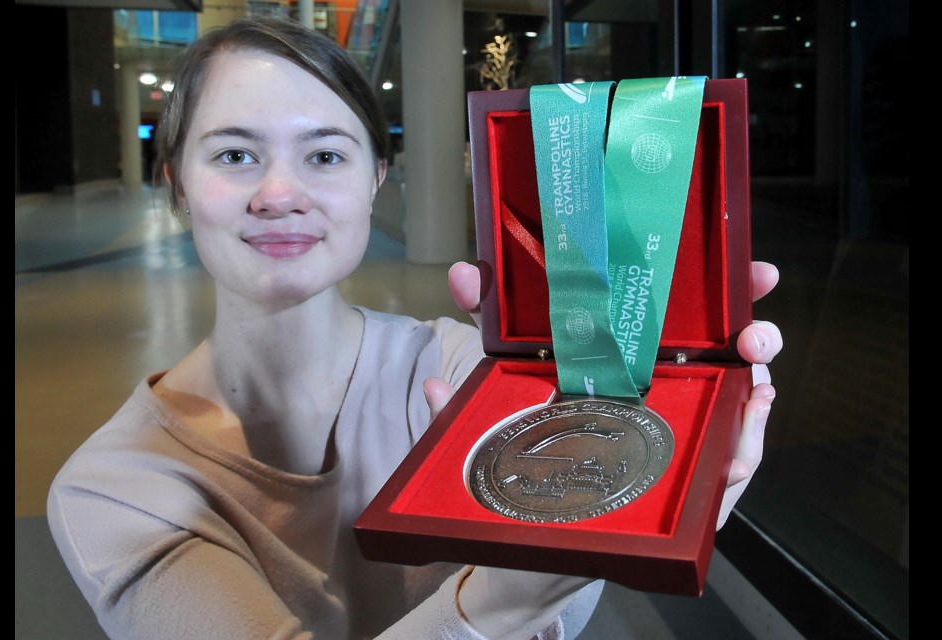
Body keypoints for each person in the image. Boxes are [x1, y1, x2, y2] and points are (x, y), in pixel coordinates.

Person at [46, 17, 783, 640]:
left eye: (325, 155)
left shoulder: (459, 371)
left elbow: (564, 607)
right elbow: (531, 604)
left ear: (374, 177)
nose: (279, 194)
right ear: (175, 181)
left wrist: (637, 405)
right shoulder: (114, 488)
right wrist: (500, 604)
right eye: (235, 155)